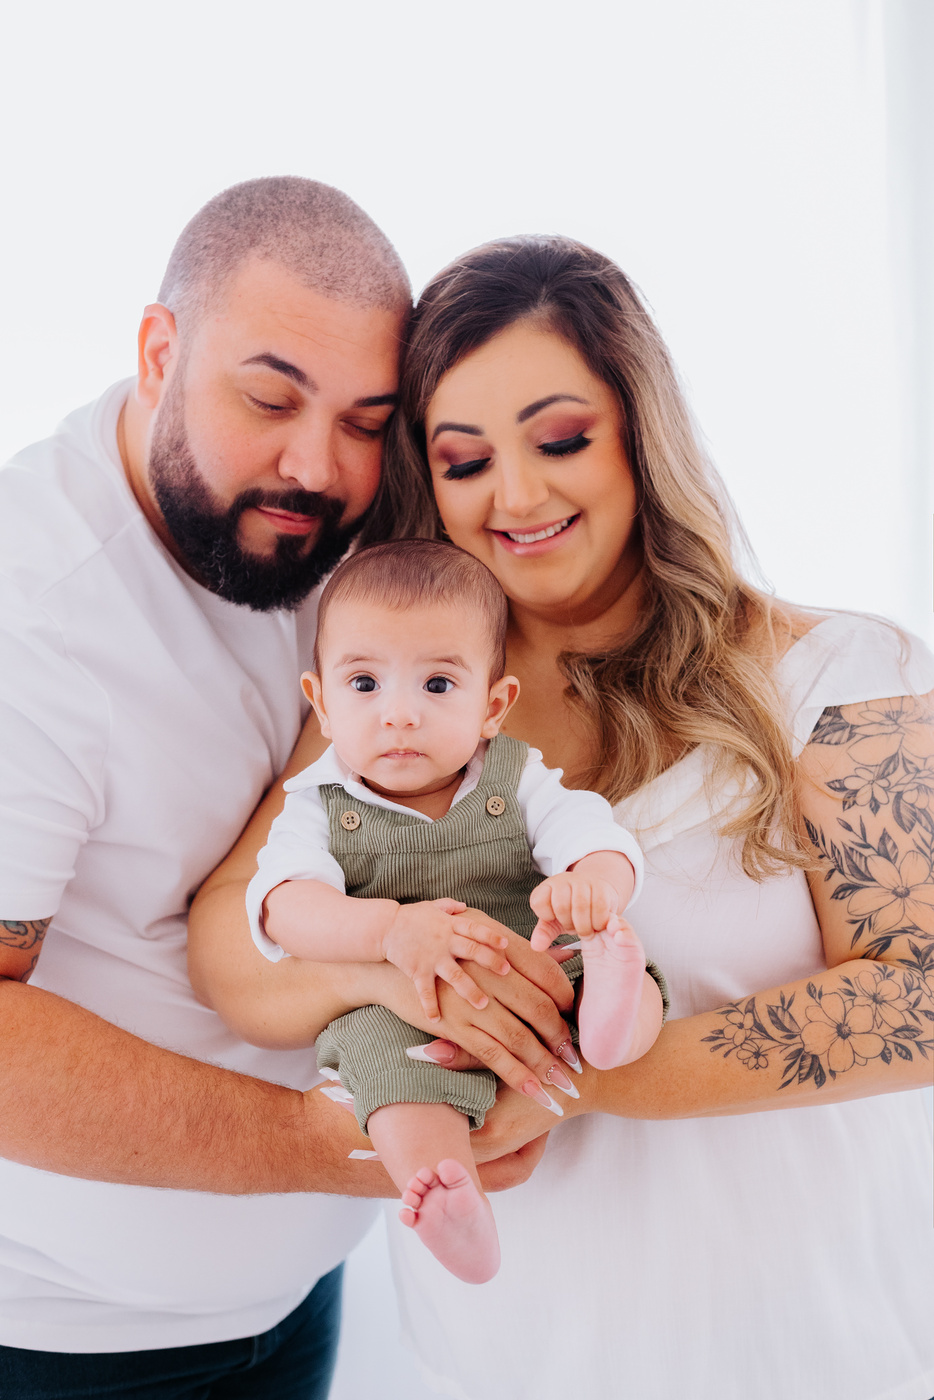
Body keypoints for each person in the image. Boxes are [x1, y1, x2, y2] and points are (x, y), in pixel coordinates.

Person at [190, 234, 934, 1400]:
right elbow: (232, 939)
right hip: (501, 1359)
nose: (518, 496)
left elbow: (918, 996)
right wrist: (401, 971)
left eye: (560, 439)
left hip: (801, 1349)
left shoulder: (847, 673)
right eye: (465, 459)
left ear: (638, 433)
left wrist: (557, 1072)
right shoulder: (404, 704)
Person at [0, 177, 544, 1398]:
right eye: (269, 398)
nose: (317, 467)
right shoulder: (32, 619)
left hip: (292, 1303)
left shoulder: (336, 530)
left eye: (364, 419)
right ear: (159, 353)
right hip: (68, 1346)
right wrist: (316, 1143)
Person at [244, 538, 665, 1283]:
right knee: (385, 1078)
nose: (400, 715)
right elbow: (283, 906)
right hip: (404, 1004)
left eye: (437, 685)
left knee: (633, 983)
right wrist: (387, 929)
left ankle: (611, 1027)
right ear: (322, 703)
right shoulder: (317, 807)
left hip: (535, 964)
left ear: (492, 706)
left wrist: (591, 886)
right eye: (365, 683)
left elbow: (595, 834)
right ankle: (447, 1191)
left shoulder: (517, 775)